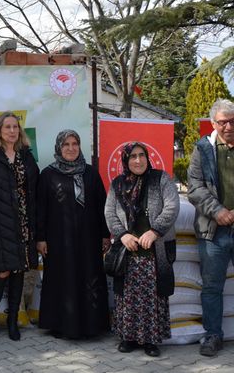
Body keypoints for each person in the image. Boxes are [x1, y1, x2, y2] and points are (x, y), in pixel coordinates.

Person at [105, 142, 179, 357]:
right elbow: (110, 213)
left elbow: (172, 206)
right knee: (127, 298)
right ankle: (128, 338)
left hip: (156, 251)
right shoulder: (117, 184)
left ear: (147, 157)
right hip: (128, 252)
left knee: (153, 298)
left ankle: (151, 341)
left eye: (141, 155)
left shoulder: (161, 178)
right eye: (133, 157)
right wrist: (124, 235)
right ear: (126, 161)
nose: (138, 160)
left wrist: (155, 231)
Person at [36, 130, 111, 340]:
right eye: (66, 144)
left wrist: (106, 235)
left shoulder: (90, 173)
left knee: (90, 278)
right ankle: (61, 324)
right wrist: (40, 238)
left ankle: (92, 324)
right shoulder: (48, 174)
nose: (71, 148)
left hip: (89, 238)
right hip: (59, 240)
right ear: (59, 148)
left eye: (75, 143)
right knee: (63, 278)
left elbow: (101, 206)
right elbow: (41, 209)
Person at [0, 111, 39, 341]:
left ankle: (12, 322)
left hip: (23, 224)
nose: (12, 131)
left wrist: (35, 228)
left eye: (15, 127)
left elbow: (34, 193)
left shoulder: (27, 157)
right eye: (7, 127)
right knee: (1, 272)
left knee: (18, 271)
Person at [188, 98, 234, 357]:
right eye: (222, 122)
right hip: (213, 232)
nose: (228, 126)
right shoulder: (202, 149)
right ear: (213, 123)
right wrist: (218, 212)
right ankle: (213, 335)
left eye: (232, 121)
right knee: (212, 287)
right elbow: (195, 187)